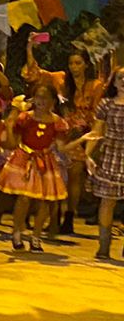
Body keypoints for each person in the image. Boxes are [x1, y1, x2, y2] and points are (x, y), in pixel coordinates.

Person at [0, 83, 71, 253]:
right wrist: (9, 125)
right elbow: (13, 141)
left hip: (45, 160)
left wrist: (82, 141)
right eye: (38, 96)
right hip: (25, 159)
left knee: (44, 200)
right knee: (24, 198)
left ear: (53, 100)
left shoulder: (58, 122)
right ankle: (17, 233)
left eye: (45, 97)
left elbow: (61, 147)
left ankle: (36, 236)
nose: (41, 100)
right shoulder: (25, 118)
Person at [83, 64, 124, 260]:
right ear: (114, 82)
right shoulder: (106, 104)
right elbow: (96, 132)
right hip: (111, 154)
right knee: (107, 201)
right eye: (120, 78)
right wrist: (88, 156)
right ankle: (104, 245)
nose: (123, 82)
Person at [61, 51, 103, 235]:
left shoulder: (95, 86)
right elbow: (35, 73)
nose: (74, 67)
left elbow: (98, 117)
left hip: (88, 134)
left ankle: (69, 215)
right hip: (68, 134)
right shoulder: (65, 85)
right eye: (71, 63)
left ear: (86, 64)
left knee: (76, 172)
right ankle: (57, 215)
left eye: (78, 63)